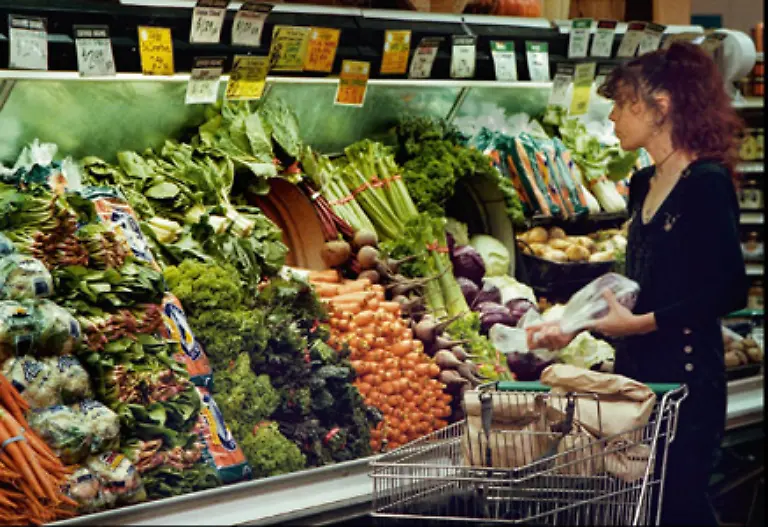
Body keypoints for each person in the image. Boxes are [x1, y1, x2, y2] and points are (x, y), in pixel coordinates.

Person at [527, 42, 748, 526]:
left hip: (687, 383)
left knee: (678, 505)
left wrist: (643, 324)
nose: (611, 117)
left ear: (660, 106)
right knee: (644, 507)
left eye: (621, 103)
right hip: (636, 381)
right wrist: (572, 324)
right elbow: (636, 283)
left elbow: (728, 289)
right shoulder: (643, 182)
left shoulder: (706, 183)